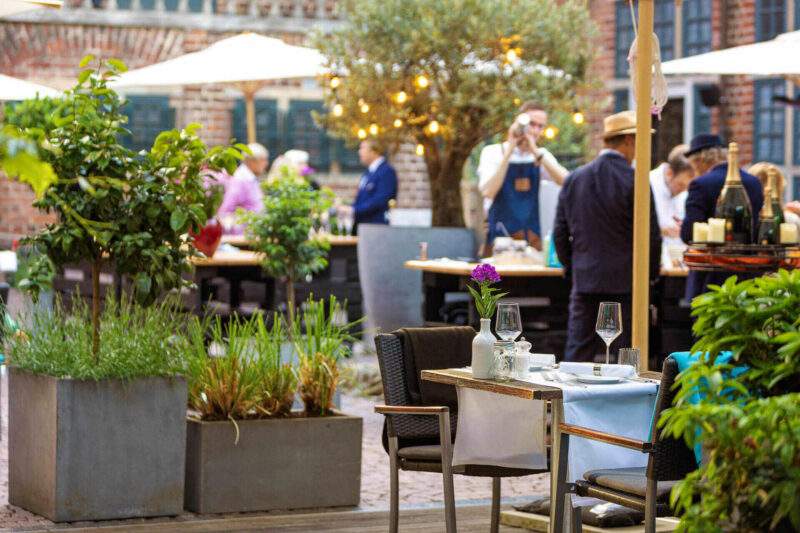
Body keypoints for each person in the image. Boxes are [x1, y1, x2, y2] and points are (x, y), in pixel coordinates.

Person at [553, 110, 661, 362]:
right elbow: (651, 236)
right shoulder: (636, 180)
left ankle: (571, 400)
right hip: (627, 281)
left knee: (578, 354)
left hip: (586, 278)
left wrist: (573, 267)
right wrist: (650, 276)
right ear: (629, 141)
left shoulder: (575, 178)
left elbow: (560, 233)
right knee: (627, 357)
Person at [679, 134, 763, 301]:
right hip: (748, 276)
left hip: (710, 278)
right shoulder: (753, 182)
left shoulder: (700, 184)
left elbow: (689, 233)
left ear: (700, 160)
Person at [477, 101, 568, 251]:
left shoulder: (540, 155)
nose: (535, 131)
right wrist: (509, 150)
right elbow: (488, 191)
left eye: (540, 126)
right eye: (532, 124)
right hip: (498, 240)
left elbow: (567, 182)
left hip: (531, 241)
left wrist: (536, 152)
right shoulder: (493, 152)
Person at [339, 138, 398, 233]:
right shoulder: (368, 172)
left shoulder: (386, 171)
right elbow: (361, 199)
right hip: (362, 226)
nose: (359, 152)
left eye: (362, 148)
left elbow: (380, 200)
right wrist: (349, 208)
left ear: (374, 151)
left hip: (376, 227)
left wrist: (353, 210)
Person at [650, 144, 694, 266]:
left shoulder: (684, 192)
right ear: (669, 173)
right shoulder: (648, 186)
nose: (683, 191)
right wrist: (662, 230)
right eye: (680, 185)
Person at [217, 142, 269, 234]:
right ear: (252, 161)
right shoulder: (241, 179)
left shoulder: (250, 178)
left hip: (253, 233)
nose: (266, 163)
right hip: (243, 236)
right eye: (263, 160)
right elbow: (226, 209)